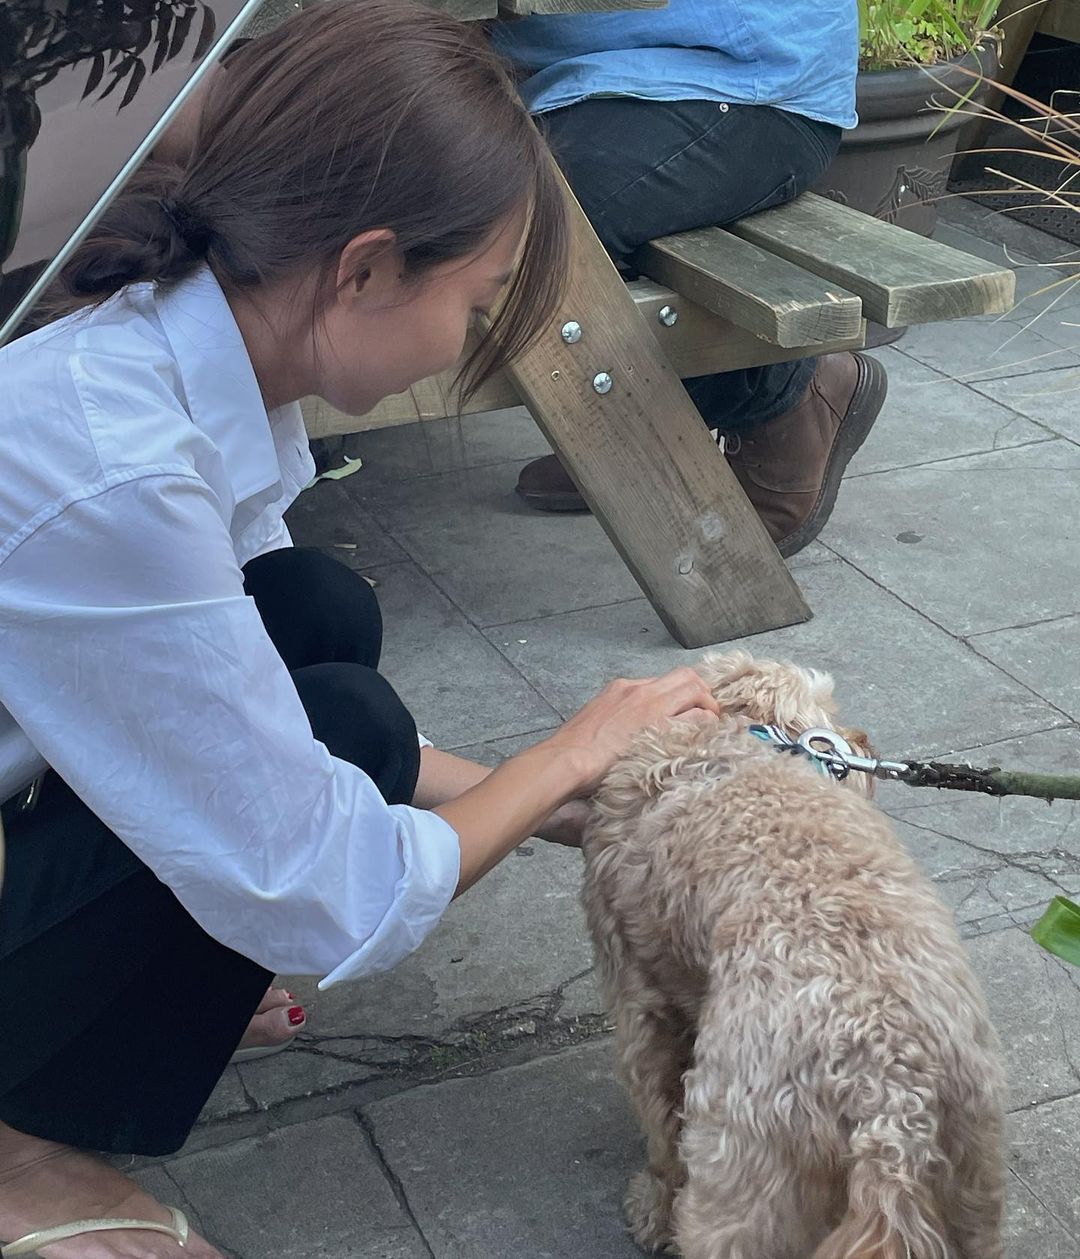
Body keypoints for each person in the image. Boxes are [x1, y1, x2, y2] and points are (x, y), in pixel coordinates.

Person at [0, 4, 723, 1255]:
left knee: (311, 614)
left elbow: (241, 707)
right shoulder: (120, 471)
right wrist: (563, 754)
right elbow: (326, 883)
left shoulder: (178, 345)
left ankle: (105, 999)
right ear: (368, 268)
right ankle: (21, 1140)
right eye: (478, 299)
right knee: (345, 724)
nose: (470, 338)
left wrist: (559, 798)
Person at [492, 0, 888, 556]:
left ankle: (784, 395)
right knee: (441, 182)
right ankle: (647, 419)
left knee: (535, 222)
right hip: (579, 72)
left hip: (740, 79)